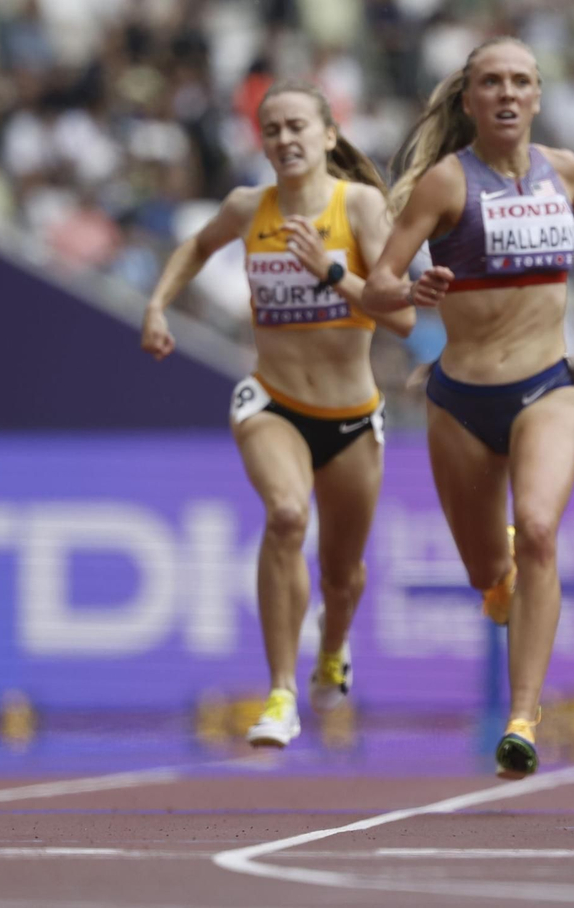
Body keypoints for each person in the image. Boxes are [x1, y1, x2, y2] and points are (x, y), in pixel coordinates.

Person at [361, 37, 574, 779]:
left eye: (521, 81)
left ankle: (523, 717)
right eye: (491, 82)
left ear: (538, 96)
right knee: (490, 573)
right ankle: (500, 578)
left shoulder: (562, 168)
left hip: (547, 387)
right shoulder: (445, 184)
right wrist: (410, 290)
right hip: (460, 402)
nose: (507, 93)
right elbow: (378, 285)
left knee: (541, 533)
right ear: (470, 100)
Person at [141, 81, 415, 748]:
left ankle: (334, 646)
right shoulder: (247, 207)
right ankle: (280, 694)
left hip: (352, 417)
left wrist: (330, 272)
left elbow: (403, 316)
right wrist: (157, 305)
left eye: (298, 126)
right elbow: (196, 246)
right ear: (260, 142)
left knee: (343, 577)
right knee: (287, 516)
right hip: (272, 402)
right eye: (273, 129)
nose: (286, 138)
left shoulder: (360, 206)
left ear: (328, 135)